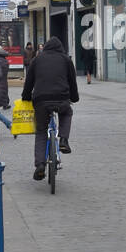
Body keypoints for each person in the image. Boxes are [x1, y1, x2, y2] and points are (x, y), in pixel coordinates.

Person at [22, 36, 79, 181]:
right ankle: (64, 140)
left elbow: (29, 81)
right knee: (66, 113)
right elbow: (72, 81)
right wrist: (74, 97)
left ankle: (40, 165)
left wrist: (26, 96)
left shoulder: (37, 60)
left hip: (41, 100)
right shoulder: (66, 60)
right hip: (61, 98)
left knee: (41, 131)